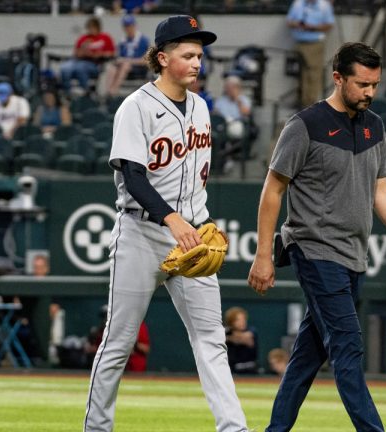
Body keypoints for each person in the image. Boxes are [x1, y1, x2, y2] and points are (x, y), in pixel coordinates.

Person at [248, 42, 386, 432]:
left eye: (375, 85)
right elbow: (272, 190)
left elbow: (381, 191)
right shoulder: (304, 126)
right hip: (314, 248)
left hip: (353, 254)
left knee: (307, 355)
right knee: (348, 345)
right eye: (362, 84)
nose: (369, 92)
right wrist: (263, 255)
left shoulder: (374, 126)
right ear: (338, 78)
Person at [83, 15, 251, 432]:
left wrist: (202, 219)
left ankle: (234, 428)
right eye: (188, 54)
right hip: (141, 233)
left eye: (200, 55)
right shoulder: (135, 107)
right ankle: (96, 427)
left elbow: (195, 179)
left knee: (212, 340)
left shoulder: (200, 107)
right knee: (119, 342)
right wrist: (173, 218)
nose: (198, 62)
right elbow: (132, 176)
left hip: (192, 235)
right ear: (162, 57)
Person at [286, 0, 335, 108]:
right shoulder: (298, 3)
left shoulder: (324, 5)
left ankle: (310, 102)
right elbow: (289, 21)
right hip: (299, 43)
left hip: (314, 44)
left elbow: (329, 25)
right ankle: (302, 100)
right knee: (300, 73)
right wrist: (297, 24)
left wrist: (312, 27)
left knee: (313, 73)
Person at [59, 17, 116, 92]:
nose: (90, 30)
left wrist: (99, 54)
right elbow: (76, 53)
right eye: (89, 27)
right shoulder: (83, 38)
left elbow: (112, 53)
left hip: (95, 64)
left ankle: (86, 92)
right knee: (64, 68)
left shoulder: (105, 38)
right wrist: (84, 50)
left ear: (98, 27)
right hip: (79, 61)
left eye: (93, 27)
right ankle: (67, 94)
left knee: (81, 68)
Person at [104, 14, 150, 97]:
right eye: (126, 26)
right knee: (111, 67)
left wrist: (127, 61)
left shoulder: (143, 40)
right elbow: (119, 57)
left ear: (134, 25)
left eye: (130, 26)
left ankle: (113, 91)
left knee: (125, 65)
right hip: (124, 67)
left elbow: (145, 60)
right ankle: (108, 92)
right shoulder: (123, 41)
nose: (128, 28)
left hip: (139, 68)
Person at [224, 307, 258, 374]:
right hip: (231, 370)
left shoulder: (251, 330)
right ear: (231, 322)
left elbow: (248, 338)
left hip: (250, 370)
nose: (242, 322)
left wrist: (231, 337)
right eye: (238, 320)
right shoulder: (226, 331)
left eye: (243, 319)